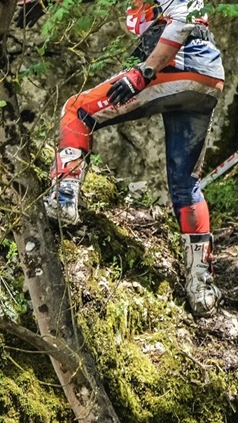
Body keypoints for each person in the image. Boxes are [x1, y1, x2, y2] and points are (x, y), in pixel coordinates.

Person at [43, 0, 226, 317]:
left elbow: (182, 18)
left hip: (178, 62)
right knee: (187, 184)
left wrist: (143, 71)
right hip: (207, 77)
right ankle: (201, 288)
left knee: (77, 110)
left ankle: (63, 199)